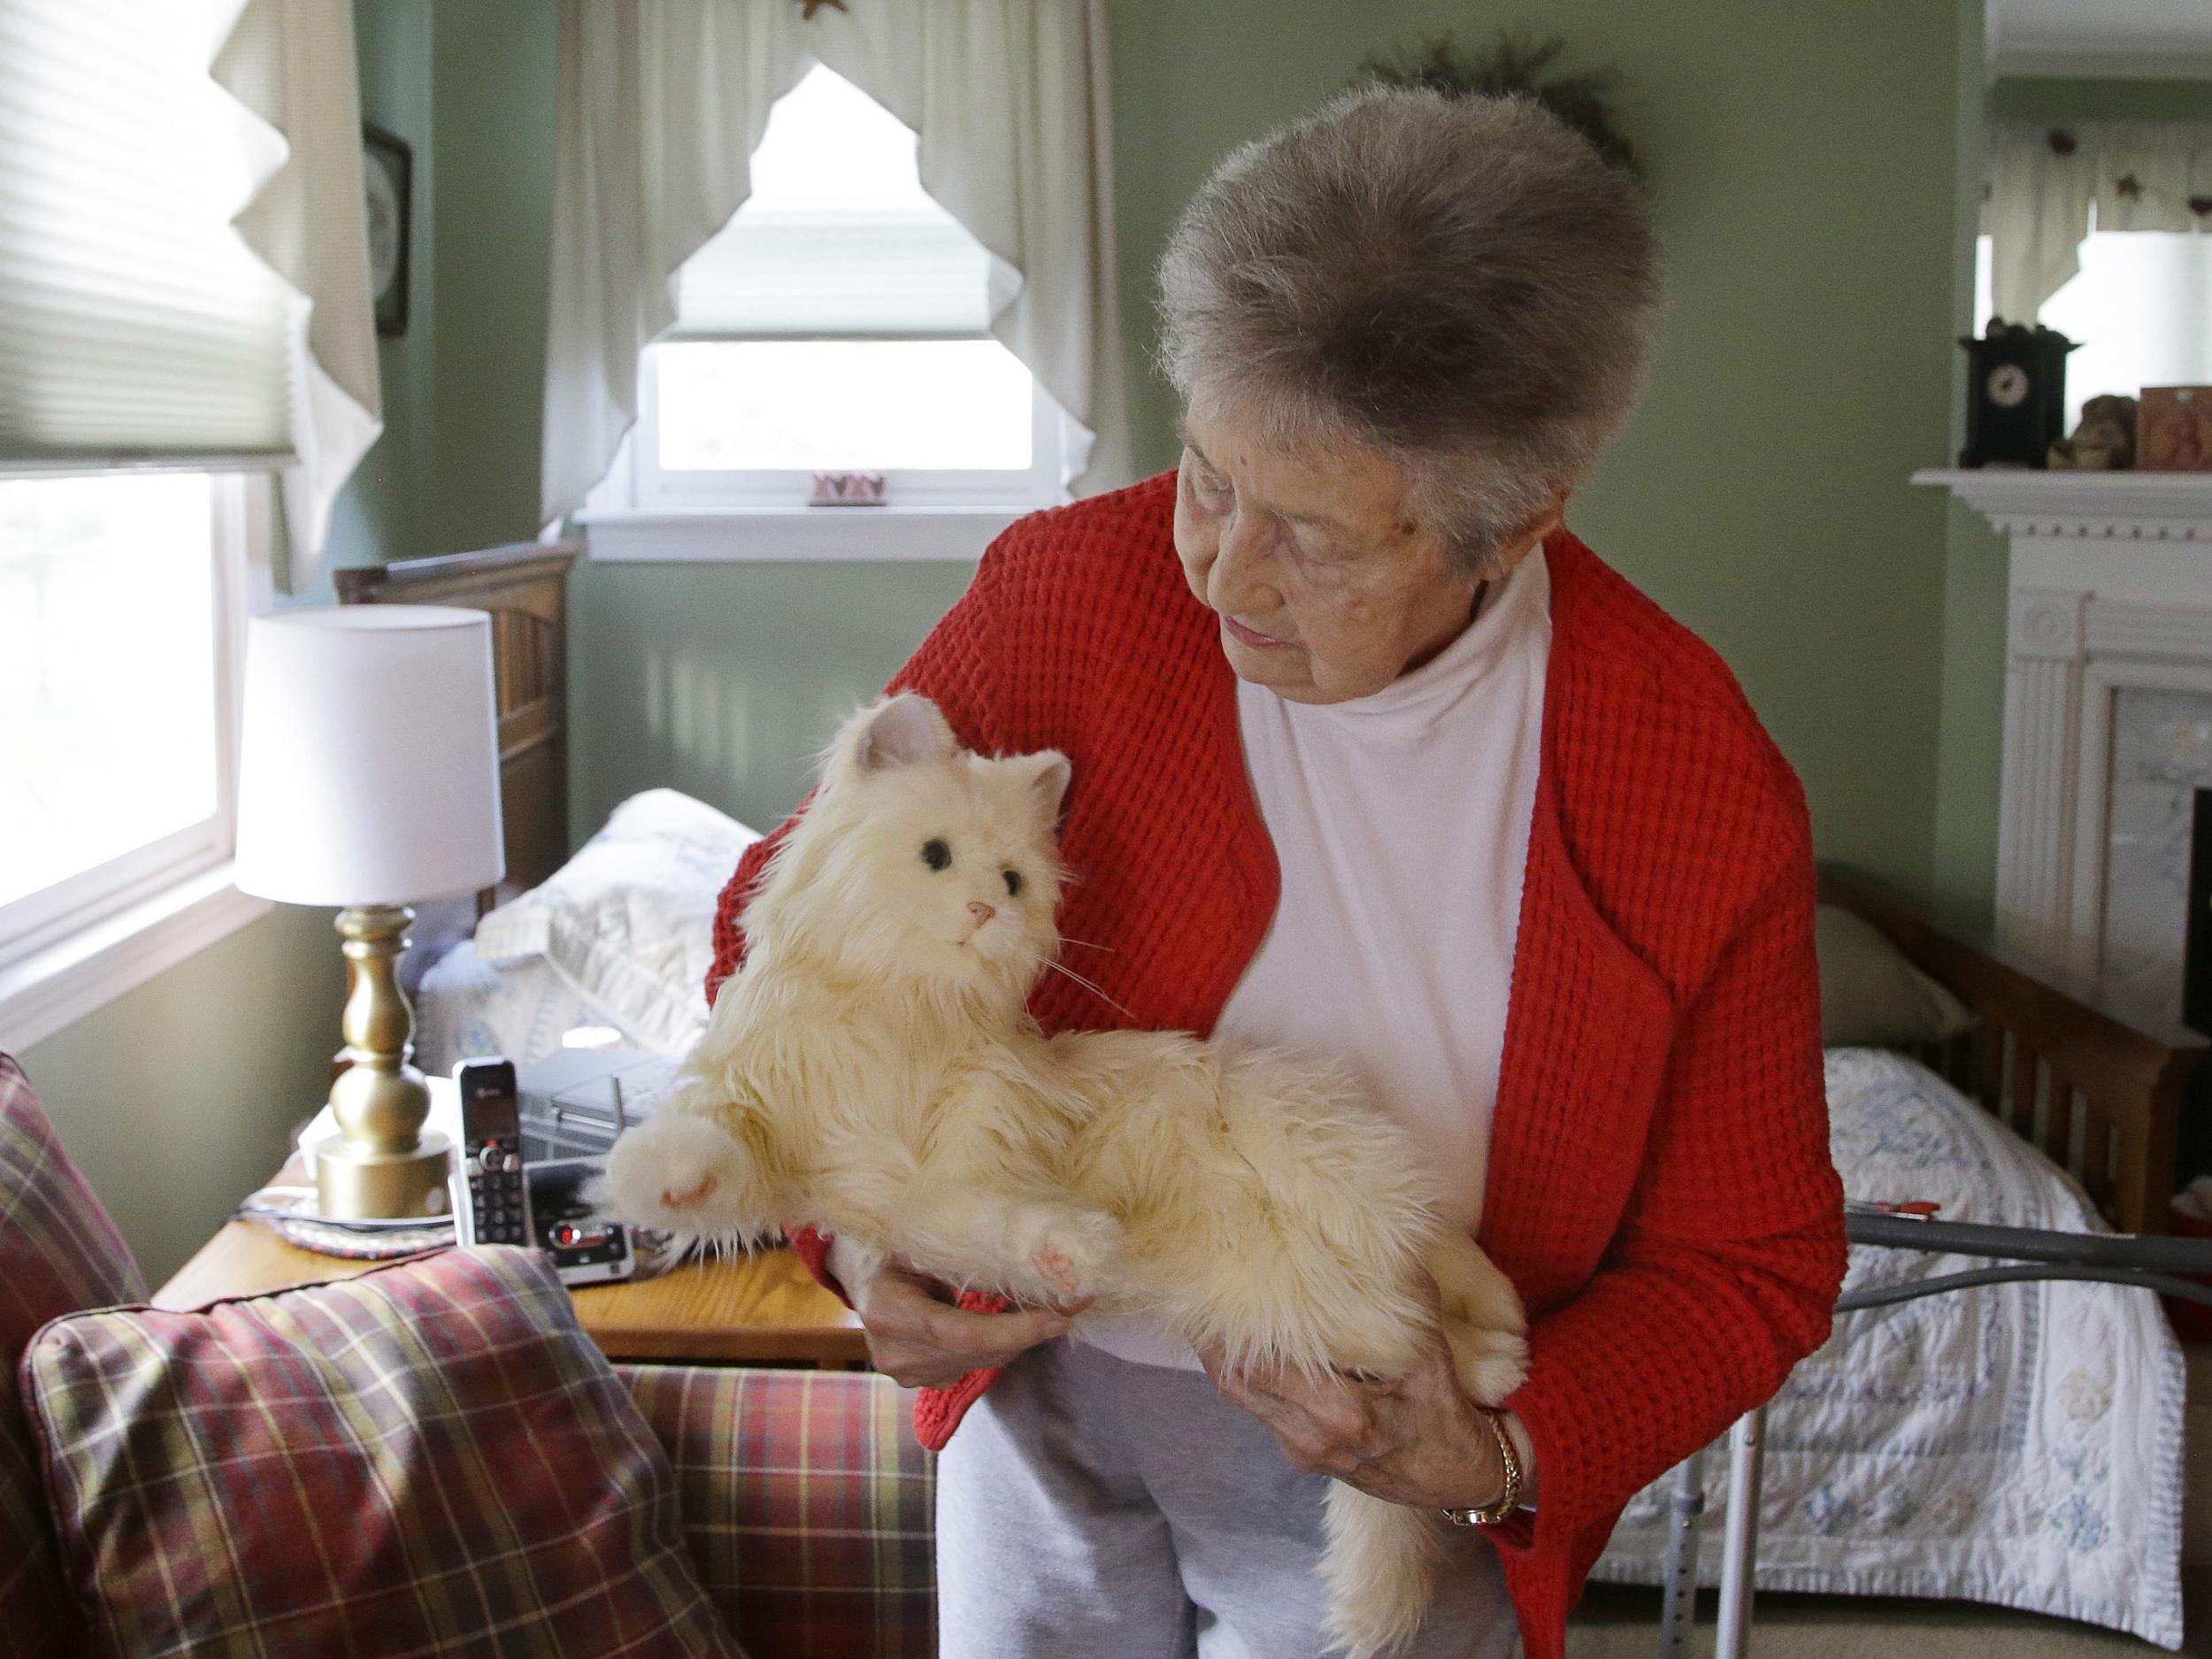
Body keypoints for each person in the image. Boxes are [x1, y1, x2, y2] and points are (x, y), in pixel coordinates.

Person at [706, 84, 1847, 1659]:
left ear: (1511, 529)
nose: (1222, 572)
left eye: (1313, 534)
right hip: (1039, 1398)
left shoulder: (1692, 773)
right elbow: (793, 923)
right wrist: (851, 1237)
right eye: (1209, 474)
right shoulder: (1071, 593)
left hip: (1382, 1468)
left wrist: (1499, 1455)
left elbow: (1750, 1265)